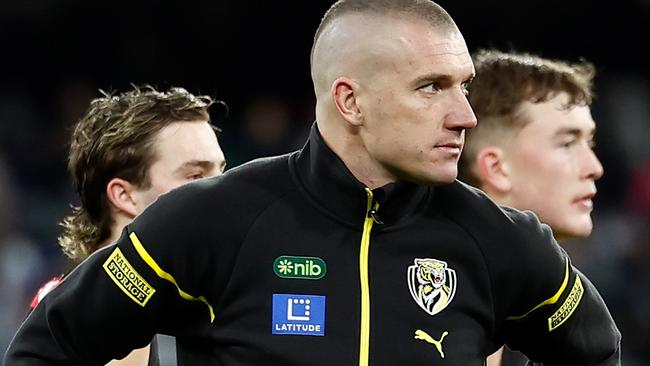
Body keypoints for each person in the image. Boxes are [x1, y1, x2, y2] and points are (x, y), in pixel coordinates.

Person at [5, 1, 620, 365]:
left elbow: (598, 354)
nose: (464, 113)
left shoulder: (504, 242)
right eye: (431, 87)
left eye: (462, 85)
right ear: (349, 100)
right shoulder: (209, 220)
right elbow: (46, 349)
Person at [26, 85, 227, 366]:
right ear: (125, 195)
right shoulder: (67, 325)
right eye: (195, 176)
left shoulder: (218, 307)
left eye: (222, 173)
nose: (223, 192)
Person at [458, 49, 605, 365]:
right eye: (567, 143)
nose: (594, 167)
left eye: (589, 143)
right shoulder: (415, 306)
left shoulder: (552, 316)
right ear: (496, 168)